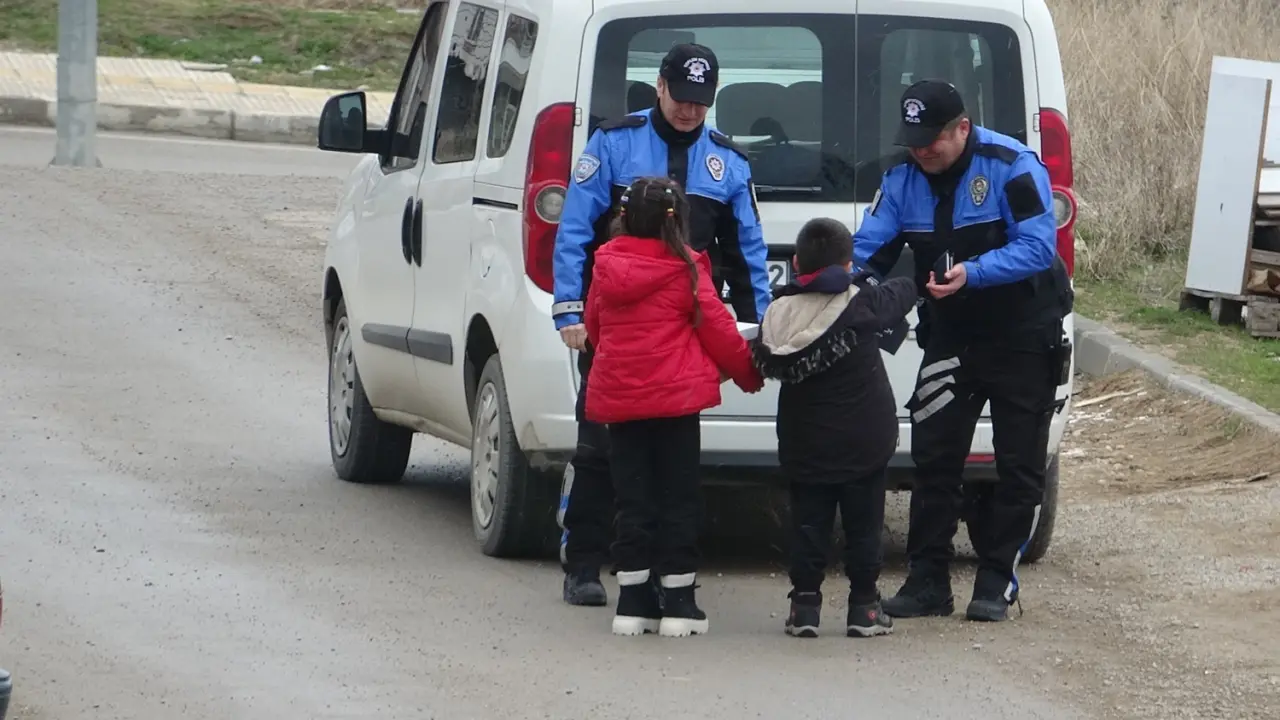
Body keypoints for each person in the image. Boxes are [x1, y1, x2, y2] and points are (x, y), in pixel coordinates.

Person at [551, 43, 773, 607]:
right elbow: (576, 229)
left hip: (681, 335)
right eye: (681, 98)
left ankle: (662, 577)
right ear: (659, 86)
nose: (689, 112)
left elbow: (748, 251)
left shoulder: (729, 163)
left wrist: (761, 327)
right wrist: (571, 310)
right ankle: (583, 560)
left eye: (701, 103)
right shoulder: (613, 143)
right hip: (616, 326)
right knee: (599, 448)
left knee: (671, 464)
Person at [852, 80, 1074, 623]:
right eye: (913, 140)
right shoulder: (902, 179)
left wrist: (973, 273)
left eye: (932, 138)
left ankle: (996, 581)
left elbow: (1037, 246)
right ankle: (928, 581)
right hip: (951, 337)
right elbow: (869, 252)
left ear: (962, 129)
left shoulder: (1011, 164)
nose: (922, 149)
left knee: (1020, 466)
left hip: (1024, 333)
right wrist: (843, 287)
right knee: (934, 460)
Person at [582, 177, 763, 637]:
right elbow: (719, 330)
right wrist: (749, 373)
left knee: (632, 498)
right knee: (678, 499)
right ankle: (679, 604)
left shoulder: (605, 268)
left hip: (621, 402)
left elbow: (595, 329)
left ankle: (632, 602)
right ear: (678, 221)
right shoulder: (687, 270)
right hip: (675, 402)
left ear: (622, 218)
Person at [751, 217, 918, 639]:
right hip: (866, 440)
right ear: (848, 265)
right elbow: (902, 292)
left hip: (805, 442)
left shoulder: (778, 313)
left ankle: (804, 607)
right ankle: (864, 608)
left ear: (794, 263)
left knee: (809, 524)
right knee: (865, 526)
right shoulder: (862, 302)